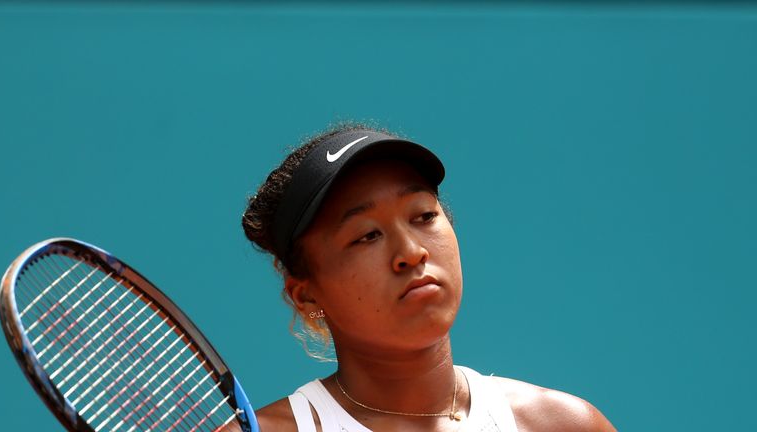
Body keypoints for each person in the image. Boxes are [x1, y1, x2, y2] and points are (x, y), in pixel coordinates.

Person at [241, 123, 617, 432]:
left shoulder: (566, 425)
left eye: (423, 216)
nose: (410, 252)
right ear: (306, 297)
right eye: (367, 236)